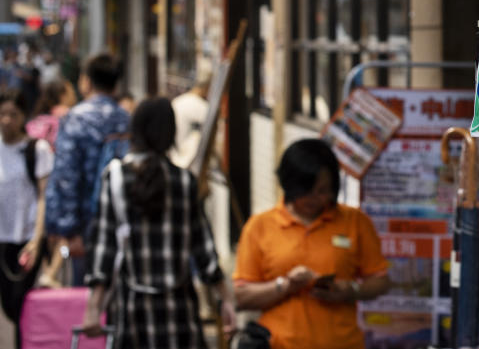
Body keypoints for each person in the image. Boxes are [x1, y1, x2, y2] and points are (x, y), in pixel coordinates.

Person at [81, 97, 236, 348]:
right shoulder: (185, 182)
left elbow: (104, 249)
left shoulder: (117, 177)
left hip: (133, 311)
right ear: (170, 133)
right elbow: (205, 251)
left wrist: (92, 308)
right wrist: (226, 300)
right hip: (180, 314)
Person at [233, 139, 390, 349]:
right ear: (289, 185)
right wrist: (285, 285)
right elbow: (242, 297)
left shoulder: (355, 222)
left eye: (323, 190)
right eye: (306, 191)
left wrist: (351, 290)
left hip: (342, 343)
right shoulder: (260, 226)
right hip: (278, 344)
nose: (315, 198)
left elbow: (381, 281)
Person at [0, 89, 54, 348]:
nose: (7, 120)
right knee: (8, 305)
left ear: (24, 116)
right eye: (2, 114)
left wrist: (37, 239)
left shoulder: (38, 149)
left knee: (21, 303)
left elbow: (43, 196)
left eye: (13, 114)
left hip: (27, 238)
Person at [44, 53, 129, 282]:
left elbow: (66, 176)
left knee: (86, 293)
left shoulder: (75, 119)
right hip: (123, 223)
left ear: (86, 81)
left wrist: (67, 229)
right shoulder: (126, 119)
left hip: (86, 226)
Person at [168, 76, 210, 169]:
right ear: (206, 89)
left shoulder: (178, 101)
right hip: (187, 158)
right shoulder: (196, 103)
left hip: (176, 154)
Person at [26, 78, 77, 148]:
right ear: (62, 96)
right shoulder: (67, 114)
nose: (74, 95)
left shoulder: (38, 118)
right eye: (71, 92)